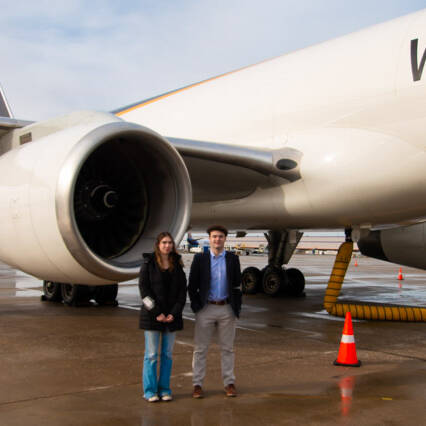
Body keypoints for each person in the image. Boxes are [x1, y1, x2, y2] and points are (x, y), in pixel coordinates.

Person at [188, 225, 242, 398]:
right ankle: (197, 385)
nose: (217, 239)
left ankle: (229, 383)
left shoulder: (233, 259)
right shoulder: (200, 259)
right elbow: (192, 286)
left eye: (220, 237)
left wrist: (236, 308)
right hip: (206, 308)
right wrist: (197, 307)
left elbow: (237, 285)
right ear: (209, 239)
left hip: (227, 308)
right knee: (200, 349)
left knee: (227, 349)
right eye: (214, 237)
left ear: (225, 239)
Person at [138, 232, 187, 402]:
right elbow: (144, 292)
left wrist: (173, 313)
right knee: (151, 355)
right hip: (153, 317)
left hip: (171, 318)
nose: (167, 245)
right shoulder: (148, 264)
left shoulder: (177, 265)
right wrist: (156, 312)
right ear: (158, 245)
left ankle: (165, 389)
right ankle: (150, 391)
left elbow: (182, 293)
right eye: (164, 242)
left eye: (170, 243)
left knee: (167, 355)